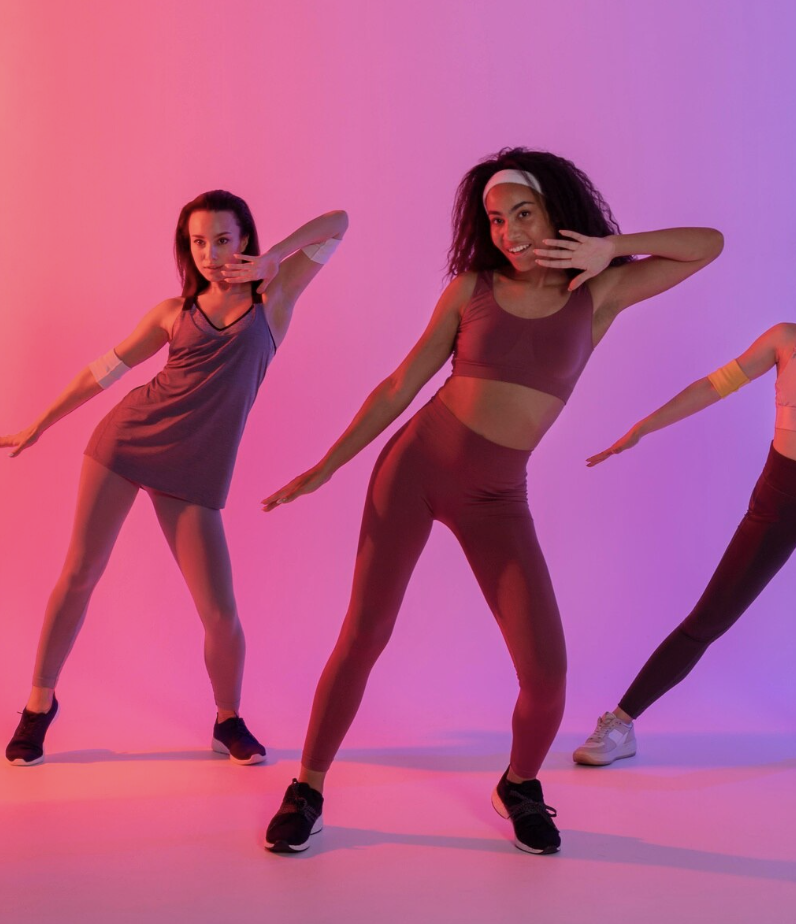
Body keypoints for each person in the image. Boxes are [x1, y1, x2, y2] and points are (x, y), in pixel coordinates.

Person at [261, 148, 723, 854]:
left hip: (498, 497)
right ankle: (308, 788)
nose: (507, 230)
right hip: (414, 470)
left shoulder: (596, 293)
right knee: (364, 636)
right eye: (496, 219)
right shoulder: (471, 289)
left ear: (556, 213)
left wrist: (612, 249)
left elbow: (708, 247)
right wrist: (328, 465)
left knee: (547, 675)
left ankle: (518, 784)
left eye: (523, 214)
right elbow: (397, 387)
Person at [4, 190, 348, 767]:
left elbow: (338, 223)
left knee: (220, 613)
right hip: (125, 443)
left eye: (222, 239)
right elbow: (103, 372)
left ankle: (227, 719)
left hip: (195, 471)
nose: (210, 254)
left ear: (245, 240)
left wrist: (277, 257)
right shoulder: (173, 312)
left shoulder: (276, 298)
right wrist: (39, 422)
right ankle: (38, 706)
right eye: (197, 243)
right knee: (81, 572)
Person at [573, 218, 796, 779]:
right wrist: (644, 426)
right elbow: (714, 384)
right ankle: (620, 723)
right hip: (781, 500)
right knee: (708, 620)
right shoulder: (789, 338)